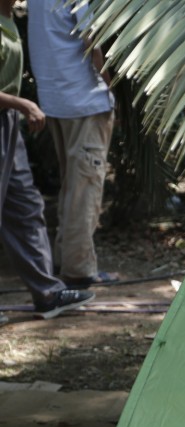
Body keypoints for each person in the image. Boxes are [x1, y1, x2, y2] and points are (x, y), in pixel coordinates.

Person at [0, 0, 93, 326]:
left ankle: (48, 293)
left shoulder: (9, 19)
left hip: (8, 124)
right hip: (8, 115)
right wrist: (24, 103)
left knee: (25, 207)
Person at [27, 0, 116, 289]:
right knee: (85, 189)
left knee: (72, 186)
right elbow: (92, 43)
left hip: (56, 101)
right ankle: (78, 270)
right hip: (85, 100)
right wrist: (110, 86)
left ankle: (65, 259)